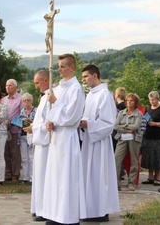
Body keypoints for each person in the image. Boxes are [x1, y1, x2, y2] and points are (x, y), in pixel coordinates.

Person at [42, 53, 86, 224]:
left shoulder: (76, 89)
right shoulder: (58, 88)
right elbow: (51, 113)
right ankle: (54, 213)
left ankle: (67, 216)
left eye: (62, 66)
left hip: (67, 136)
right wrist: (49, 122)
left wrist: (57, 102)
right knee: (55, 175)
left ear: (72, 67)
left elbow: (72, 116)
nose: (58, 70)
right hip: (56, 137)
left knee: (67, 176)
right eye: (58, 66)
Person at [78, 64, 120, 222]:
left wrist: (89, 124)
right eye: (82, 78)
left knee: (99, 175)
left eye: (86, 77)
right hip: (89, 139)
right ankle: (90, 209)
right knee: (89, 175)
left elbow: (109, 122)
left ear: (95, 75)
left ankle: (101, 210)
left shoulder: (105, 94)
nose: (84, 80)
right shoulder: (90, 95)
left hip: (100, 141)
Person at [28, 70, 50, 221]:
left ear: (46, 80)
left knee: (44, 175)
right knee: (38, 174)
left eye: (37, 82)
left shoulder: (51, 97)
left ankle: (44, 208)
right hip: (39, 141)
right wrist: (33, 126)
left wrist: (35, 128)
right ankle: (38, 207)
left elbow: (49, 122)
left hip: (46, 142)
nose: (36, 86)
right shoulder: (43, 98)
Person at [141, 91, 160, 186]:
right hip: (148, 136)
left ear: (158, 99)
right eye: (150, 100)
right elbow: (145, 119)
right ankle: (150, 177)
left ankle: (158, 177)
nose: (151, 102)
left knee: (157, 158)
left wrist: (156, 124)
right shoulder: (148, 109)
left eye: (153, 100)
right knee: (149, 158)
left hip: (158, 137)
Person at [114, 93, 143, 191]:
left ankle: (131, 183)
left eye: (131, 101)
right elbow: (116, 125)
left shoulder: (139, 113)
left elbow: (136, 127)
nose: (129, 102)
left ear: (135, 103)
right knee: (116, 160)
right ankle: (116, 183)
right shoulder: (121, 112)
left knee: (134, 161)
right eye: (127, 100)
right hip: (122, 138)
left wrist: (123, 126)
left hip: (134, 139)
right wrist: (126, 129)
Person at [2, 79, 24, 182]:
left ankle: (15, 174)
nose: (8, 87)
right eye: (6, 85)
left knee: (15, 153)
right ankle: (7, 174)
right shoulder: (3, 100)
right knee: (5, 153)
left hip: (15, 130)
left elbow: (23, 115)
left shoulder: (20, 99)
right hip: (4, 130)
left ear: (15, 87)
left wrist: (12, 123)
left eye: (10, 85)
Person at [19, 93, 36, 185]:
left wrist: (30, 121)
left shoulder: (35, 110)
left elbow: (38, 122)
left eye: (28, 100)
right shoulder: (22, 111)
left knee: (31, 157)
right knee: (24, 158)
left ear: (31, 101)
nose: (26, 102)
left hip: (31, 134)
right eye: (24, 100)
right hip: (22, 134)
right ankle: (25, 177)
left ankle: (32, 178)